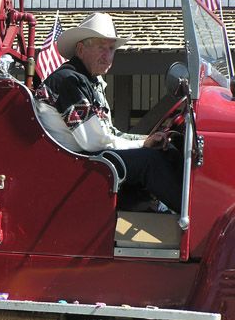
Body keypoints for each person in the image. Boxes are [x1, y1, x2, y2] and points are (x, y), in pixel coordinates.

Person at [35, 12, 183, 212]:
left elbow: (109, 134)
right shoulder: (68, 81)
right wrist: (142, 144)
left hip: (82, 163)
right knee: (151, 161)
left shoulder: (87, 81)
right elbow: (95, 141)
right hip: (71, 167)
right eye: (101, 48)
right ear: (80, 49)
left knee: (163, 152)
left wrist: (146, 139)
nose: (108, 56)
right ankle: (196, 223)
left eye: (111, 49)